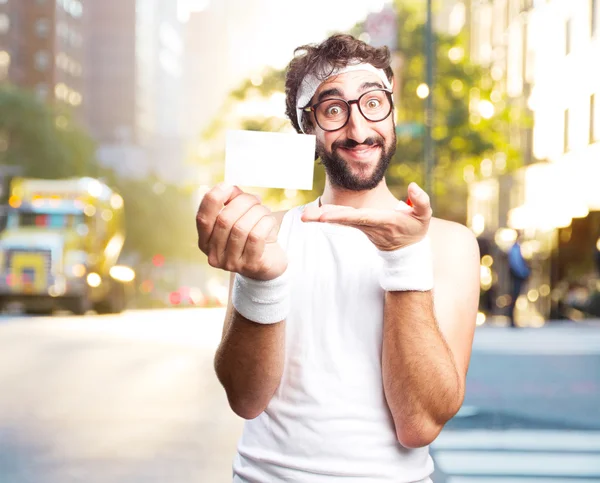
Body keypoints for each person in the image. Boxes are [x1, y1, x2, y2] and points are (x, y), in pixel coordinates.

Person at [196, 34, 480, 483]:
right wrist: (263, 280)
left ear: (392, 112)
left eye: (372, 103)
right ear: (307, 130)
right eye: (333, 110)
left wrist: (402, 258)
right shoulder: (268, 235)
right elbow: (246, 399)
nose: (358, 129)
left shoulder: (449, 243)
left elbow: (420, 424)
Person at [507, 233, 530, 327]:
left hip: (517, 275)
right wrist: (524, 273)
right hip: (517, 276)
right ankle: (511, 319)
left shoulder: (516, 248)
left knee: (514, 297)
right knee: (514, 297)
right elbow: (516, 264)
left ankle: (512, 319)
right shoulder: (515, 249)